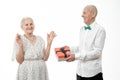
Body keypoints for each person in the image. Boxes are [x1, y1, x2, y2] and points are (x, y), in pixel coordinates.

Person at [66, 5, 106, 80]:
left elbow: (97, 52)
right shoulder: (82, 29)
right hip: (80, 72)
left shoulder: (100, 30)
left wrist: (76, 56)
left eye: (84, 13)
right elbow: (81, 47)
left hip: (93, 74)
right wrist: (68, 48)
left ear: (93, 14)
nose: (82, 15)